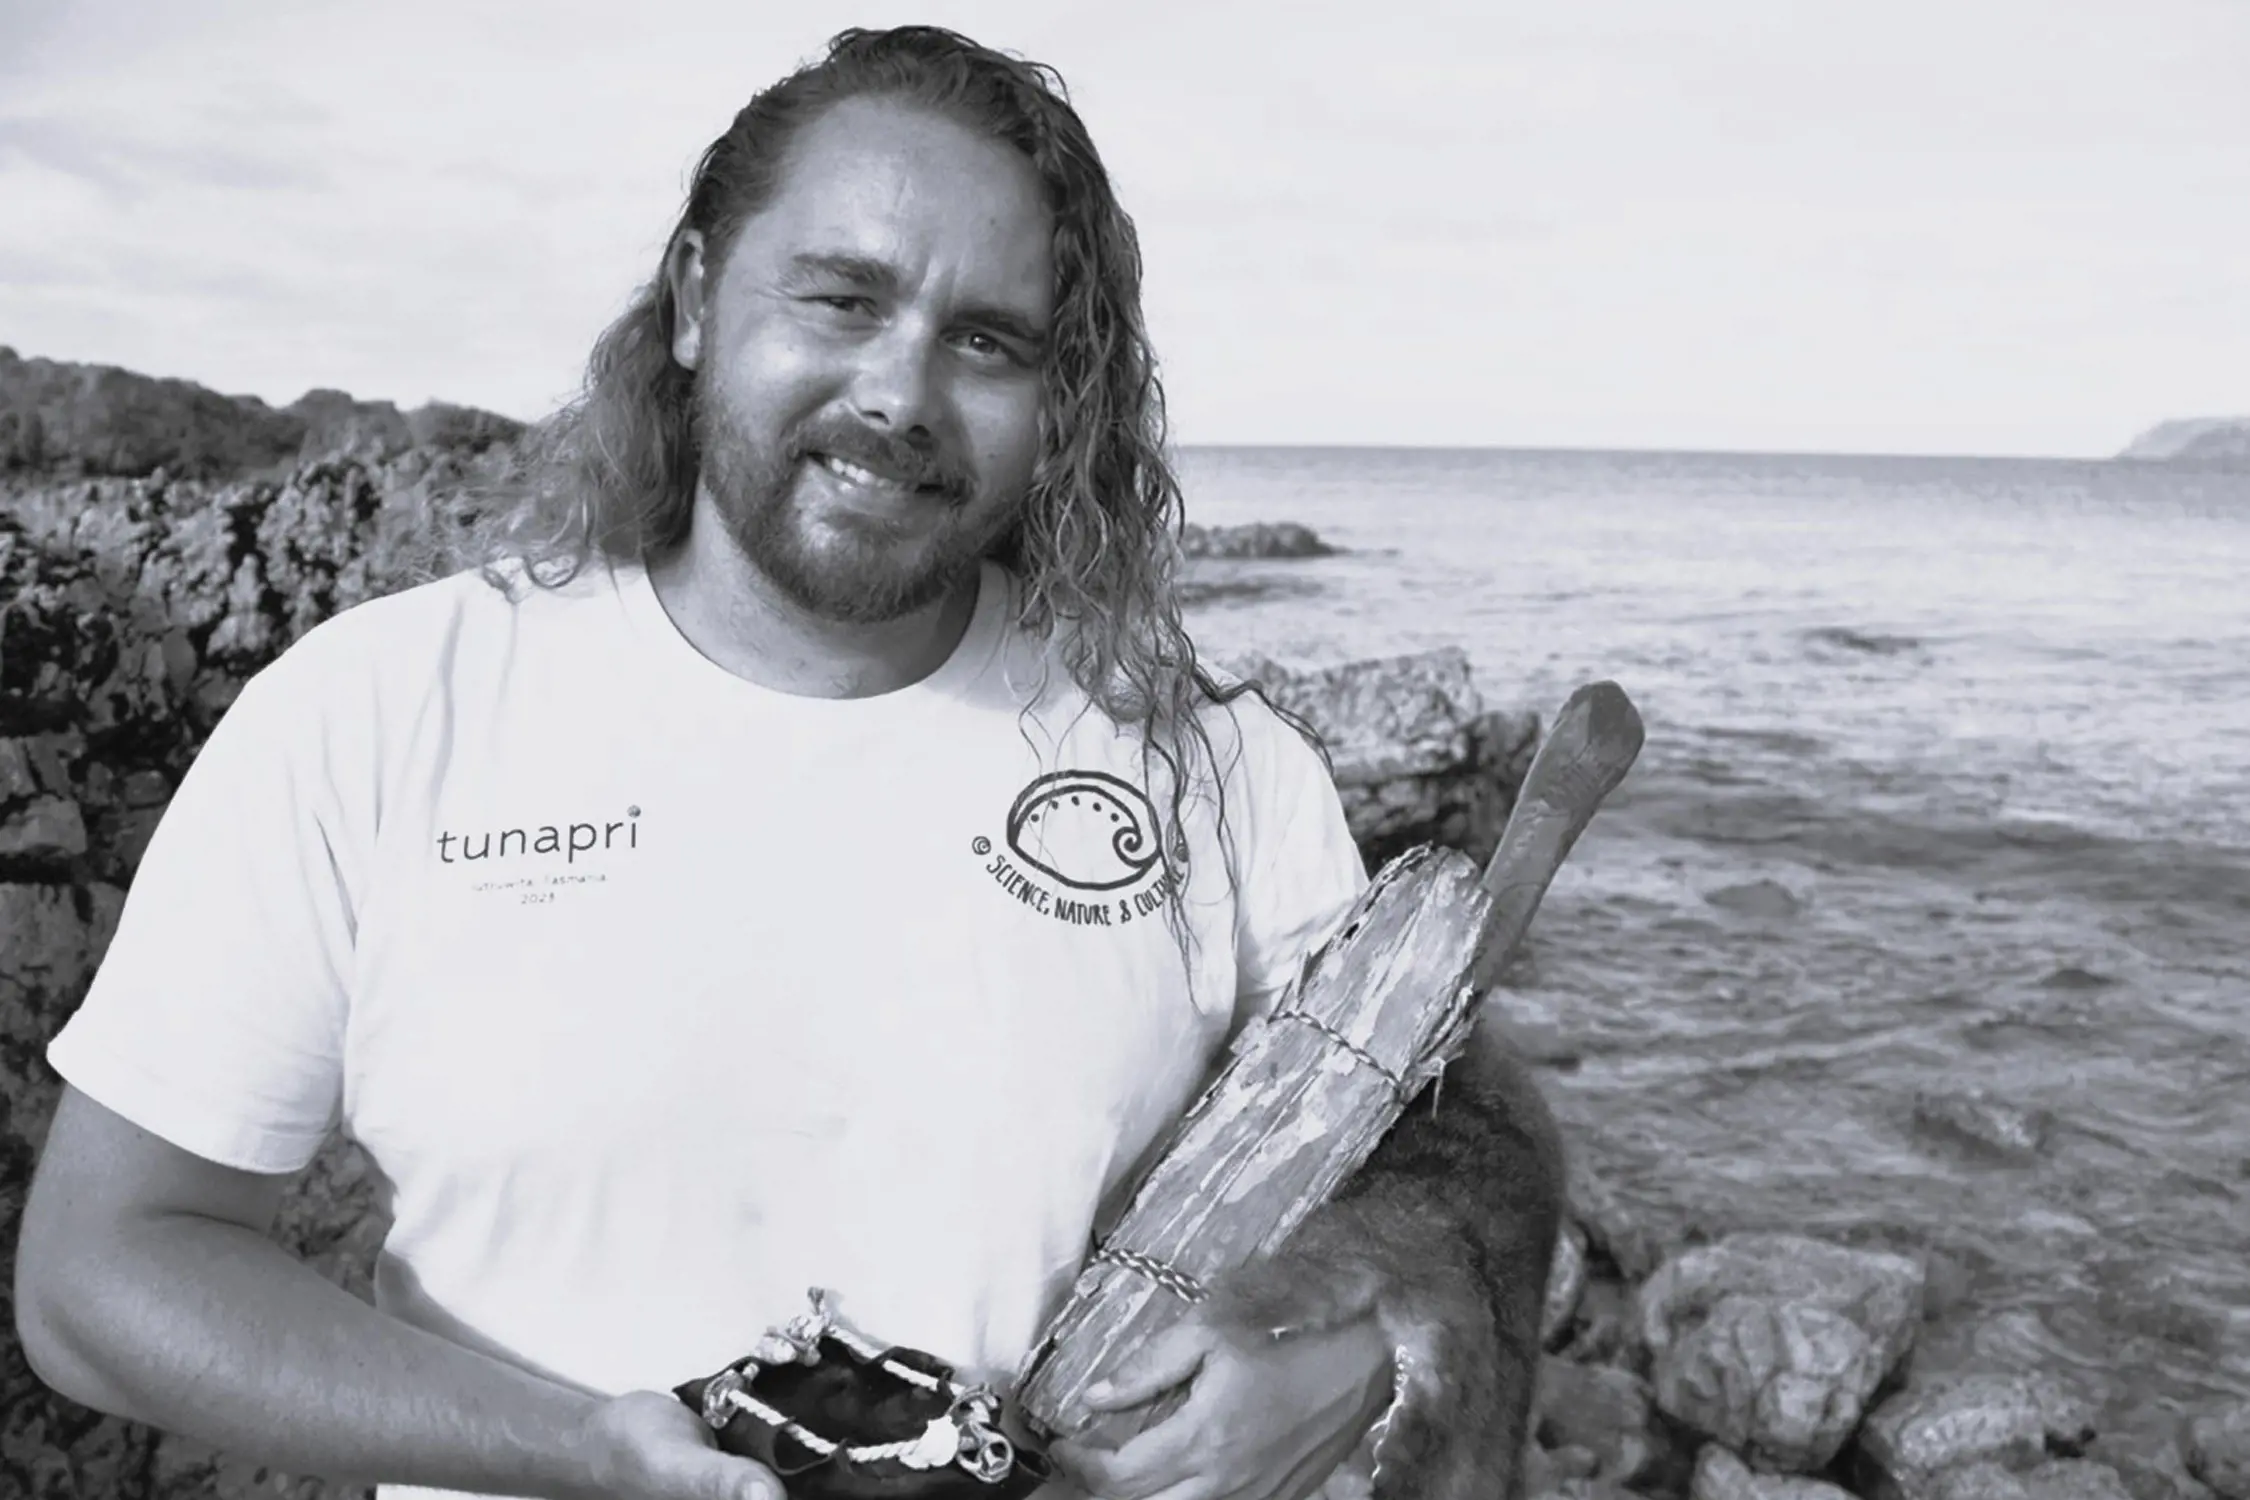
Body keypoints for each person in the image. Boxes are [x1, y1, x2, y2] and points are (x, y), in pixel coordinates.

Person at [15, 26, 1563, 1500]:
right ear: (694, 299)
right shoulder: (381, 709)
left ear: (1057, 399)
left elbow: (1452, 1149)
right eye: (840, 300)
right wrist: (575, 1450)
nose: (900, 395)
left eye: (987, 341)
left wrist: (1363, 1350)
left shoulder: (1209, 765)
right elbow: (104, 1273)